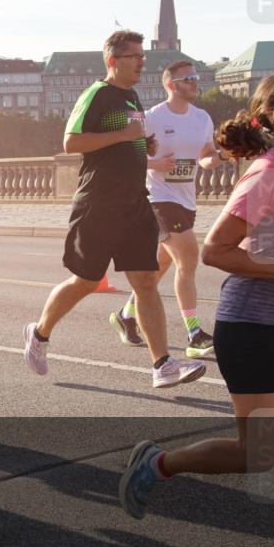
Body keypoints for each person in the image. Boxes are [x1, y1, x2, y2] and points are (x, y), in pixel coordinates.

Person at [120, 69, 274, 547]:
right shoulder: (268, 173)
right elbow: (216, 251)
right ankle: (160, 464)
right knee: (260, 455)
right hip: (252, 324)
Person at [23, 30, 207, 388]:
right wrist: (123, 136)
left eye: (142, 56)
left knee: (145, 283)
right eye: (134, 56)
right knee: (87, 281)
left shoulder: (131, 97)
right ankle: (40, 333)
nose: (141, 62)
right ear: (112, 61)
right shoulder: (97, 94)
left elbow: (132, 138)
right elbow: (71, 141)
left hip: (136, 203)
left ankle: (163, 365)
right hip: (98, 203)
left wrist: (146, 144)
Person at [109, 59, 225, 358]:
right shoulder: (148, 117)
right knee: (188, 258)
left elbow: (205, 155)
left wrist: (219, 158)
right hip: (157, 198)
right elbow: (120, 152)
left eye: (197, 78)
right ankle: (194, 333)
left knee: (159, 267)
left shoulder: (202, 118)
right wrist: (153, 163)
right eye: (189, 79)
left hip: (187, 199)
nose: (196, 83)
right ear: (171, 85)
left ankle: (125, 314)